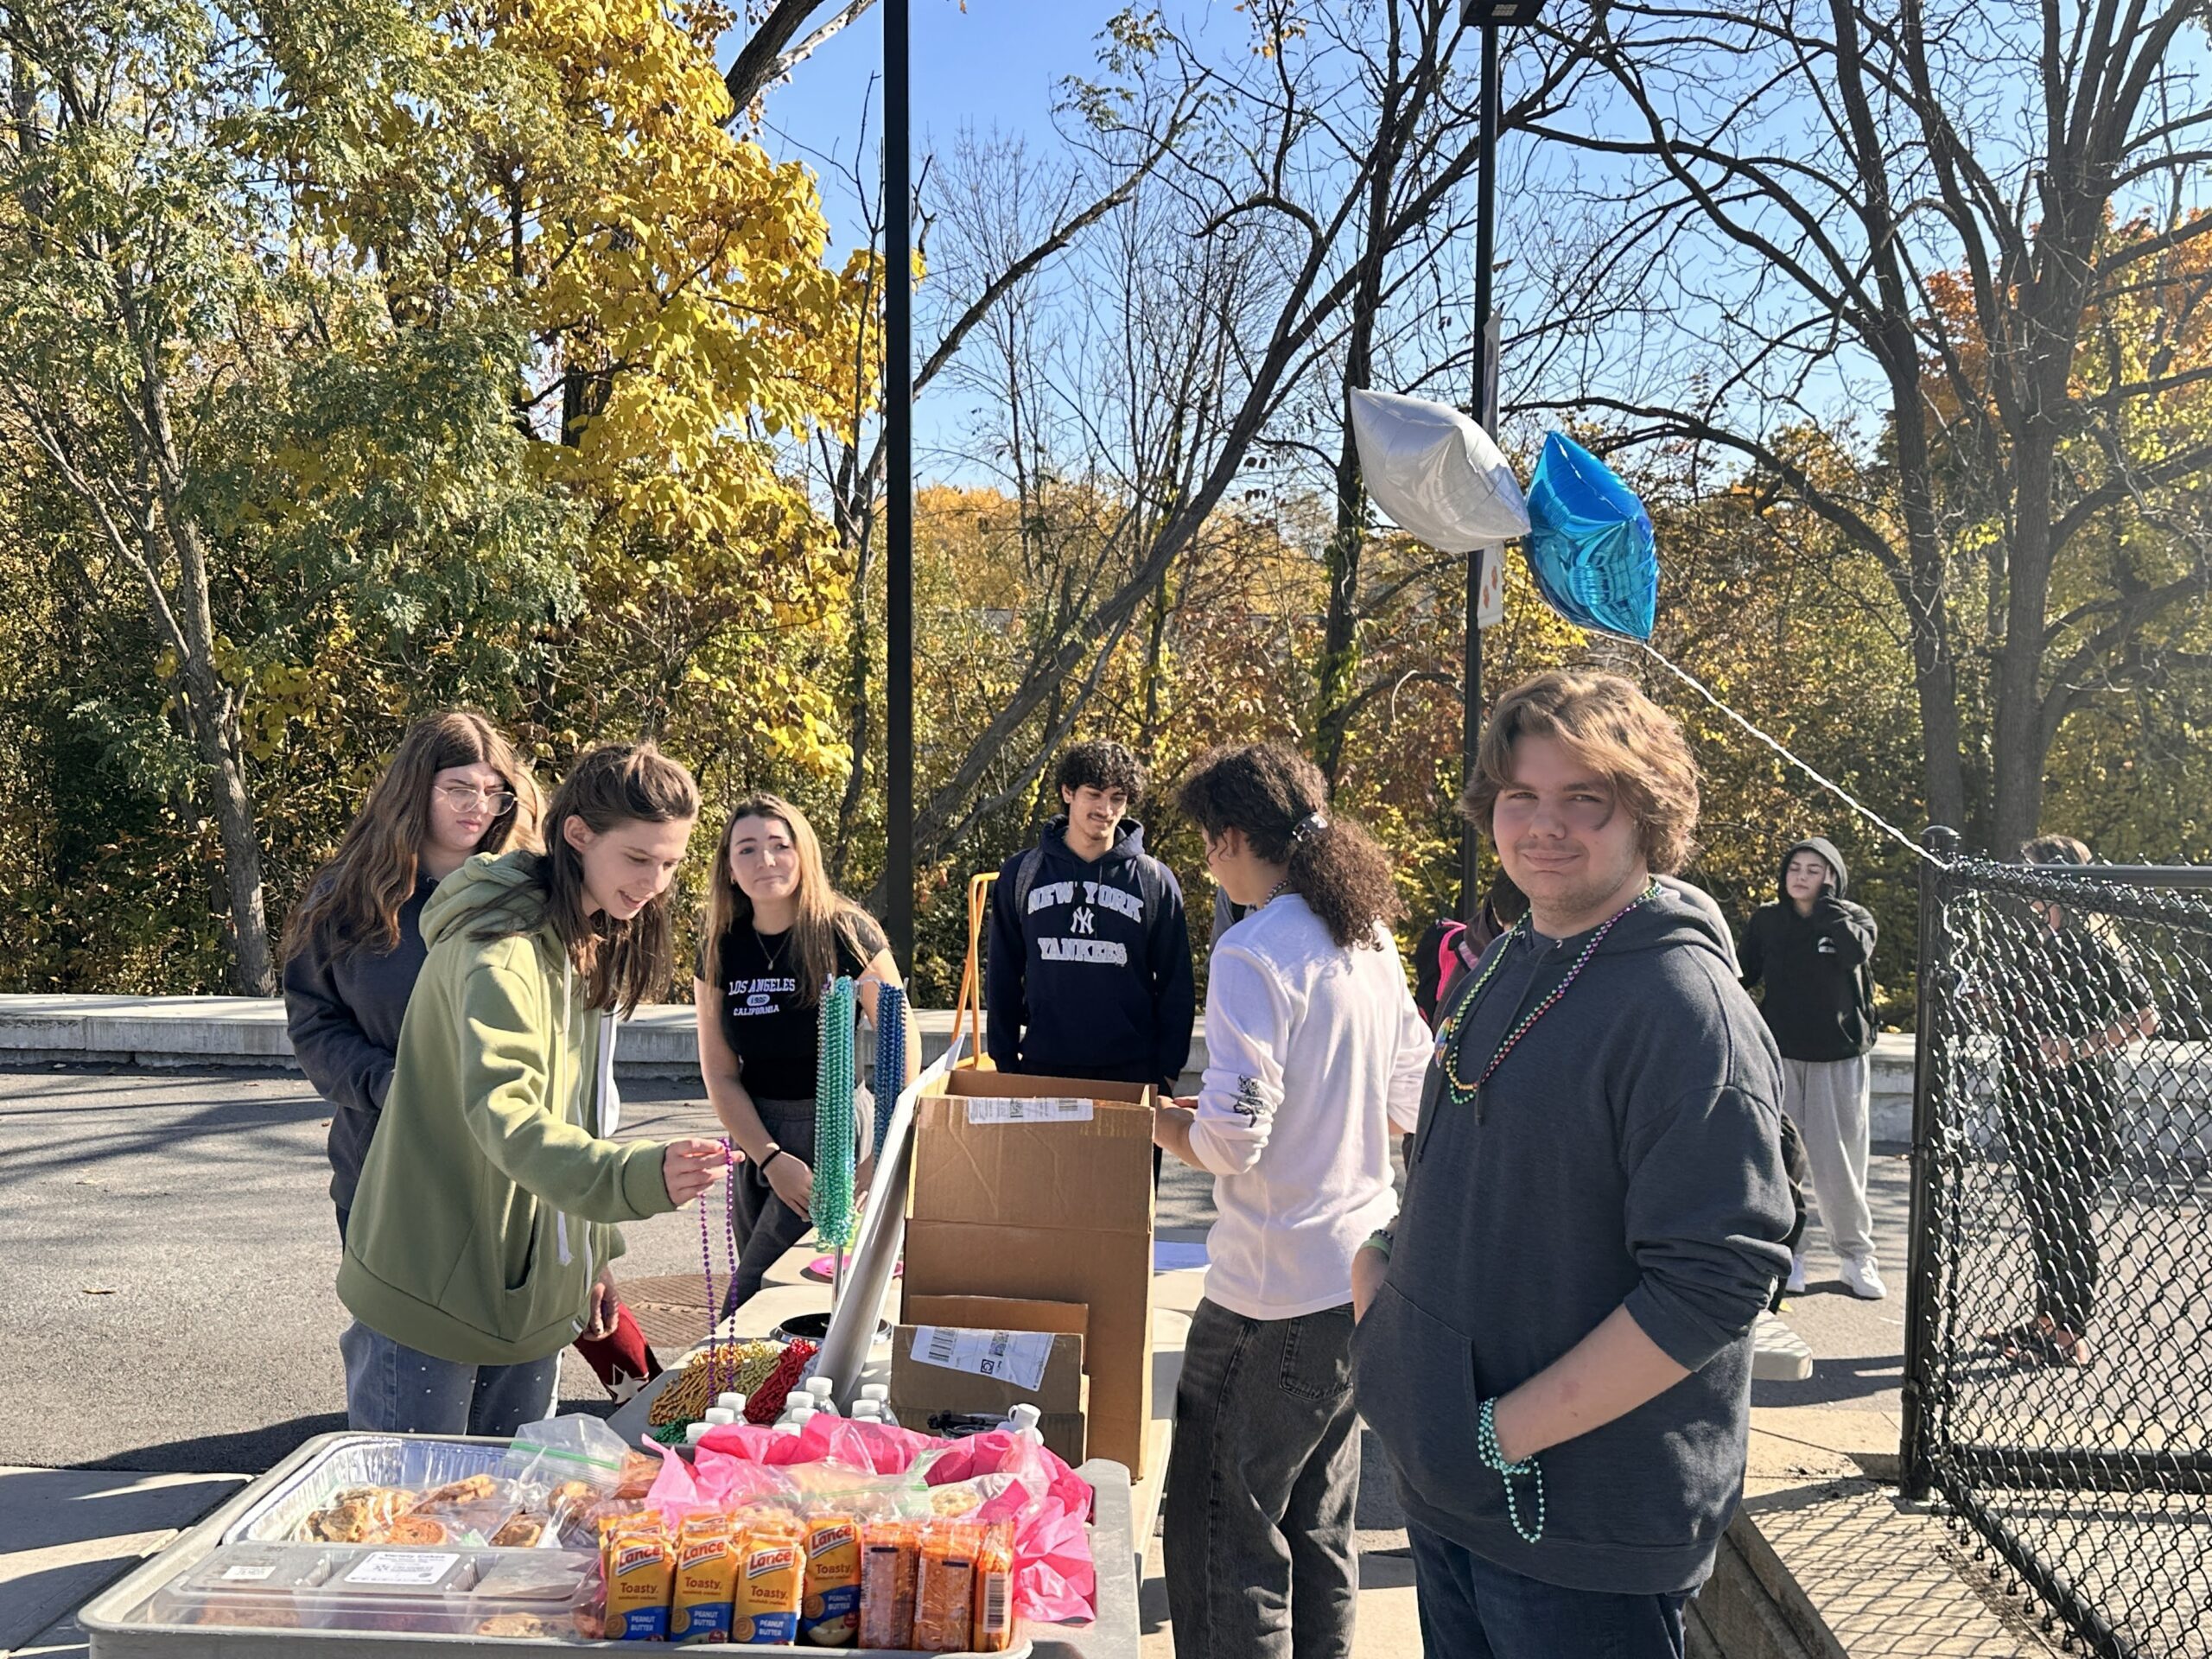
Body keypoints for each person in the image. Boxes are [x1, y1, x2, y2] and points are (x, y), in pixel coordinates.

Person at [1351, 671, 1792, 1659]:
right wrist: (1378, 1285)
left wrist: (1496, 1435)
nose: (1544, 826)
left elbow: (1715, 1281)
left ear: (1646, 811)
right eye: (1521, 797)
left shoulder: (1685, 1011)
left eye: (1582, 798)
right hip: (1454, 1498)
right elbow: (1457, 1158)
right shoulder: (1514, 954)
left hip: (1581, 1534)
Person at [335, 741, 729, 1436]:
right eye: (638, 859)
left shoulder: (583, 936)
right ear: (577, 834)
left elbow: (575, 1113)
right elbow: (509, 1113)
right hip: (432, 1289)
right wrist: (633, 1179)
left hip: (533, 1295)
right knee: (417, 1525)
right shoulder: (501, 951)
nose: (654, 884)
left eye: (669, 864)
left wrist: (594, 1252)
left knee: (512, 1519)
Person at [1154, 743, 1432, 1659]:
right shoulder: (1369, 939)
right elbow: (1407, 1101)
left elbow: (1233, 1141)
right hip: (1358, 1273)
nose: (1206, 865)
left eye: (1206, 844)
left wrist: (1164, 1127)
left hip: (1266, 1293)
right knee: (1318, 1529)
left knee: (1220, 1535)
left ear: (1234, 839)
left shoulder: (1252, 950)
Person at [283, 710, 541, 1242]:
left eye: (495, 792)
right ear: (415, 789)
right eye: (460, 789)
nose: (480, 807)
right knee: (387, 1330)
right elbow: (315, 1023)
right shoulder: (347, 898)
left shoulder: (528, 894)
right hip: (386, 1171)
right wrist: (390, 1085)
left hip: (507, 1175)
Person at [693, 792, 913, 1317]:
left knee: (755, 1297)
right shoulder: (721, 945)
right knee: (784, 1298)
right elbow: (720, 1073)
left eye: (778, 845)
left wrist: (884, 1149)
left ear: (803, 853)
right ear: (728, 866)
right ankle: (782, 1395)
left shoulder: (844, 931)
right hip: (759, 1139)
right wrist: (768, 1157)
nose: (764, 861)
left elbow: (900, 1038)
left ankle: (725, 1392)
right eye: (746, 849)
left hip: (835, 1130)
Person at [1980, 834, 2157, 1369]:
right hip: (2027, 1095)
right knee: (2042, 1214)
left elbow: (2146, 1017)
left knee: (2068, 1214)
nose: (2025, 881)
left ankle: (2069, 1333)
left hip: (2075, 1099)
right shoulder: (2037, 941)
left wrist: (2077, 1047)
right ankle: (2045, 1319)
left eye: (2033, 871)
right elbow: (2020, 1012)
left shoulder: (2095, 945)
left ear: (2060, 878)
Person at [986, 740, 1195, 1096]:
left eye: (1117, 798)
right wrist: (1006, 1062)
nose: (1106, 809)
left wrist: (1167, 1074)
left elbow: (1177, 985)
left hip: (1133, 1075)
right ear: (1068, 792)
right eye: (1094, 794)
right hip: (1042, 1070)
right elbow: (1003, 973)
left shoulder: (1153, 880)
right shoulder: (1024, 873)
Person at [1738, 836, 1885, 1300]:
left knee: (1840, 1163)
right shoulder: (1768, 920)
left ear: (1832, 877)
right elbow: (1744, 973)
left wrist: (1827, 908)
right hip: (1780, 1055)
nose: (1801, 877)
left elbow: (1854, 952)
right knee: (1781, 1161)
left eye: (1813, 870)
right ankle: (1790, 1254)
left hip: (1838, 1057)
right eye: (1794, 868)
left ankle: (1856, 1256)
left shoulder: (1853, 917)